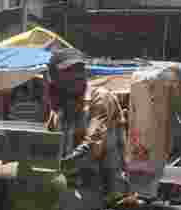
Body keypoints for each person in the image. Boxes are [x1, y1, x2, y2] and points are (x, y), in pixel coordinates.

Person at [45, 48, 127, 198]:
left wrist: (58, 167)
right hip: (73, 190)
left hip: (105, 192)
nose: (77, 75)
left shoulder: (100, 98)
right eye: (68, 71)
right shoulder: (59, 111)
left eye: (80, 69)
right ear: (54, 78)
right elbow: (48, 145)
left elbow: (92, 144)